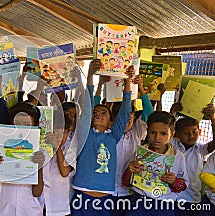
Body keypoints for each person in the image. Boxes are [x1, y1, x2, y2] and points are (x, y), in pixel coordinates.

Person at [71, 60, 132, 216]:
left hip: (105, 197)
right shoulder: (85, 133)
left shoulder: (113, 137)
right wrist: (91, 75)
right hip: (81, 195)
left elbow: (125, 112)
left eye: (104, 113)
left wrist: (127, 81)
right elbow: (87, 107)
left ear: (111, 122)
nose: (98, 114)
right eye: (95, 112)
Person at [122, 111, 188, 216]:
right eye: (153, 132)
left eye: (163, 133)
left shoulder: (178, 157)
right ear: (147, 131)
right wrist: (130, 170)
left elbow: (183, 185)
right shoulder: (140, 152)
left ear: (172, 134)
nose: (157, 137)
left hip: (163, 205)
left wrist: (174, 181)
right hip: (139, 202)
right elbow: (126, 182)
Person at [0, 102, 46, 216]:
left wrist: (38, 166)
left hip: (30, 211)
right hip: (4, 211)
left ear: (35, 126)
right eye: (17, 123)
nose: (21, 128)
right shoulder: (1, 148)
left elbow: (37, 192)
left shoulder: (41, 153)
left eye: (27, 124)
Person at [110, 74, 154, 216]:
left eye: (130, 119)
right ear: (114, 119)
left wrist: (141, 88)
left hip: (129, 191)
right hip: (107, 191)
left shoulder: (137, 132)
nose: (127, 123)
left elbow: (150, 114)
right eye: (123, 119)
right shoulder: (108, 134)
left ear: (134, 118)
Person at [170, 103, 215, 216]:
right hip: (170, 197)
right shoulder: (172, 145)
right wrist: (172, 112)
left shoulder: (201, 149)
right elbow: (166, 129)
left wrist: (213, 119)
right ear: (178, 134)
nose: (191, 136)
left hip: (192, 199)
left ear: (199, 132)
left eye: (194, 132)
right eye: (185, 133)